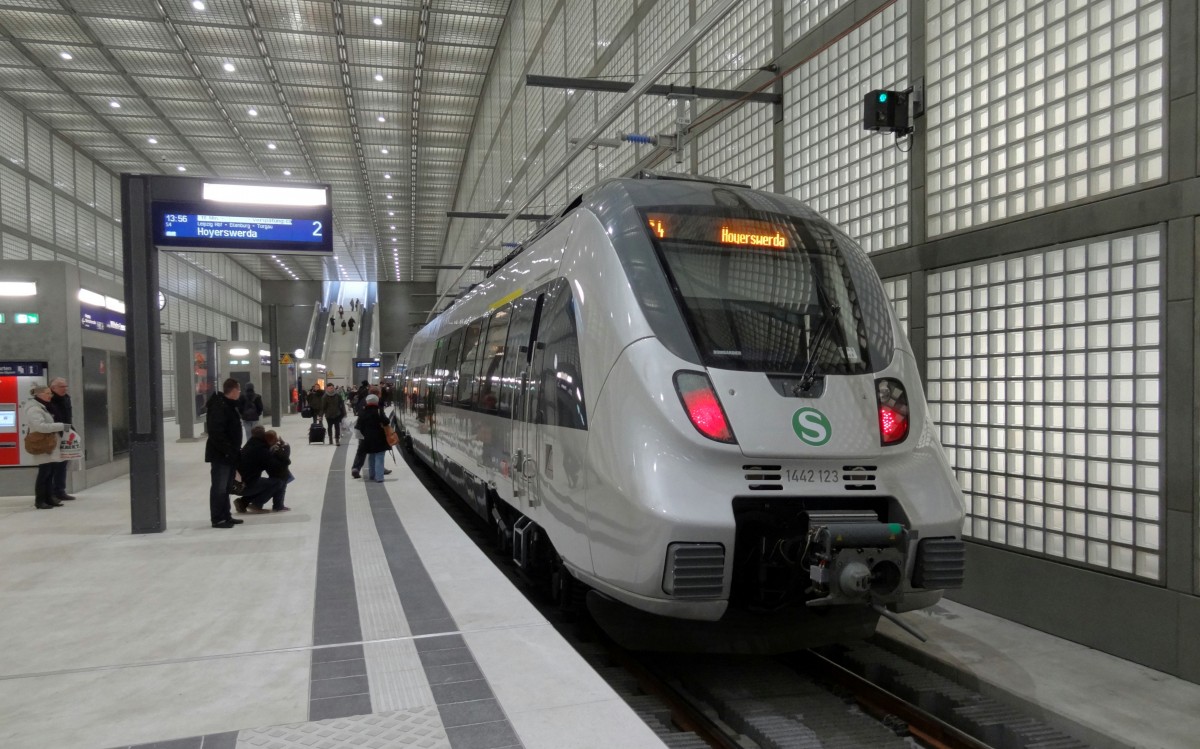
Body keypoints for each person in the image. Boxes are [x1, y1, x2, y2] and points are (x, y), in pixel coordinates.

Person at [204, 378, 245, 529]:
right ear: (233, 390)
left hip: (229, 454)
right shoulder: (219, 407)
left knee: (226, 487)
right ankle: (218, 518)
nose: (239, 393)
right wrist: (228, 451)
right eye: (239, 390)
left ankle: (226, 515)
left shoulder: (228, 405)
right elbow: (216, 433)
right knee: (219, 487)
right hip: (221, 455)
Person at [23, 383, 66, 509]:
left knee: (50, 471)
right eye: (48, 393)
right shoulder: (34, 409)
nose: (50, 396)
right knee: (44, 472)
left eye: (50, 393)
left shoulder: (44, 407)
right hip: (41, 444)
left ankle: (49, 498)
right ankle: (40, 500)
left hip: (48, 444)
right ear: (39, 394)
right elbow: (40, 427)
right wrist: (60, 426)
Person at [235, 427, 290, 513]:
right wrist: (285, 453)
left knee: (264, 483)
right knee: (278, 481)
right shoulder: (261, 450)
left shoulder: (250, 445)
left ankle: (243, 502)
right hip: (245, 485)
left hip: (236, 484)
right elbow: (277, 466)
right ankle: (257, 504)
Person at [47, 377, 76, 502]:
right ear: (53, 388)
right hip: (54, 434)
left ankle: (60, 490)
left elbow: (68, 416)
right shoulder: (49, 400)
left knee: (64, 462)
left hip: (66, 432)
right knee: (53, 464)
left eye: (65, 386)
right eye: (61, 386)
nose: (65, 388)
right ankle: (51, 491)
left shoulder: (66, 398)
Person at [356, 394, 389, 482]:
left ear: (367, 402)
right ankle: (379, 477)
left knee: (371, 456)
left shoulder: (363, 413)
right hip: (379, 438)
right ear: (376, 401)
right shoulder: (378, 411)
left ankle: (372, 474)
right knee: (379, 456)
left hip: (367, 439)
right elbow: (386, 422)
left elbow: (359, 426)